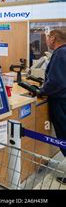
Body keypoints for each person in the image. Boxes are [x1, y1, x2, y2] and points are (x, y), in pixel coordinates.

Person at [38, 29, 66, 185]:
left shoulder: (60, 53)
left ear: (53, 38)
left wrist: (42, 91)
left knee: (64, 135)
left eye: (47, 37)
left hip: (61, 102)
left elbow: (56, 82)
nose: (47, 40)